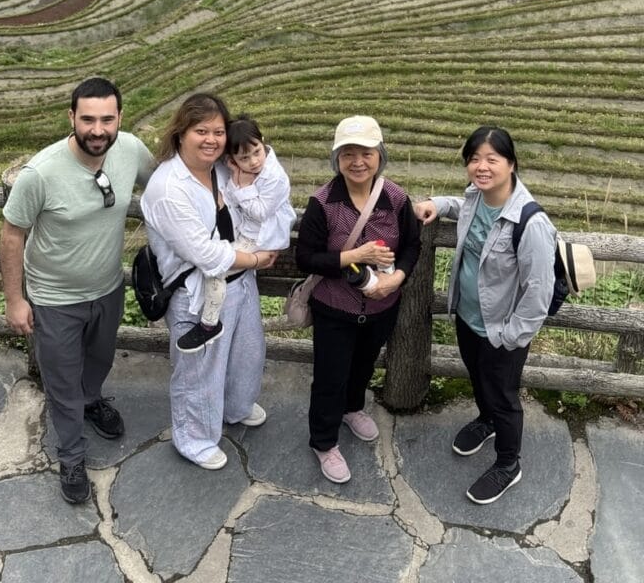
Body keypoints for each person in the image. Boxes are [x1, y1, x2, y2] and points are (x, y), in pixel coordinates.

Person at [0, 77, 154, 504]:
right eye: (88, 119)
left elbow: (165, 183)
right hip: (54, 299)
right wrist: (15, 299)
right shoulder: (41, 173)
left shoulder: (130, 151)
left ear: (120, 118)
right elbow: (12, 235)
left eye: (107, 119)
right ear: (71, 118)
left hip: (107, 288)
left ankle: (92, 400)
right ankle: (71, 456)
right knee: (62, 383)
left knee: (99, 360)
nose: (98, 129)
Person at [414, 126, 555, 505]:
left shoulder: (531, 222)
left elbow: (538, 294)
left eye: (492, 158)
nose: (481, 166)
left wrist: (509, 337)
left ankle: (509, 464)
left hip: (501, 329)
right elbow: (464, 207)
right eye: (474, 158)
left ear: (510, 164)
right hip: (468, 317)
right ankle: (486, 421)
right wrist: (439, 204)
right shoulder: (478, 197)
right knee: (478, 379)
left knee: (504, 396)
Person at [141, 94, 279, 470]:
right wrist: (256, 259)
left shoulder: (221, 168)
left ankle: (235, 408)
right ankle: (194, 438)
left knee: (246, 355)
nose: (211, 139)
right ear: (180, 133)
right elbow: (205, 254)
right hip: (197, 295)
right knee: (200, 371)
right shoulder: (168, 187)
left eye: (218, 131)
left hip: (241, 283)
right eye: (201, 130)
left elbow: (265, 166)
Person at [296, 116, 420, 484]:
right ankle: (323, 441)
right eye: (348, 154)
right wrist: (356, 255)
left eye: (365, 152)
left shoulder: (396, 198)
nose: (357, 162)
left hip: (382, 305)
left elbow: (412, 244)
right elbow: (306, 258)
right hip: (335, 307)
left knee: (363, 367)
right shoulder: (323, 202)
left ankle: (352, 409)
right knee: (329, 377)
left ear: (379, 155)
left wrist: (397, 278)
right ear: (337, 159)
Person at [176, 114, 295, 354]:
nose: (253, 161)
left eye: (257, 152)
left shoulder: (275, 177)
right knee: (213, 263)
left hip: (261, 238)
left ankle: (209, 324)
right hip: (248, 233)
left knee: (216, 267)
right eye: (244, 158)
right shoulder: (237, 170)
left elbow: (261, 212)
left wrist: (243, 187)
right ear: (231, 159)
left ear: (263, 142)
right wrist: (237, 185)